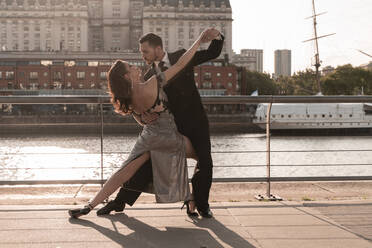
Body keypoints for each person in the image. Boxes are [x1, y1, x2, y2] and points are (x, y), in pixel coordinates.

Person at [68, 28, 220, 219]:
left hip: (152, 136)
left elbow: (135, 112)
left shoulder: (129, 94)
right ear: (126, 76)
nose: (137, 63)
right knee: (203, 160)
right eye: (131, 66)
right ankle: (191, 200)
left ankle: (89, 206)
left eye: (143, 53)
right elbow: (181, 64)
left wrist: (141, 118)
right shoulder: (151, 81)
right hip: (169, 136)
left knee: (123, 171)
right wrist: (199, 39)